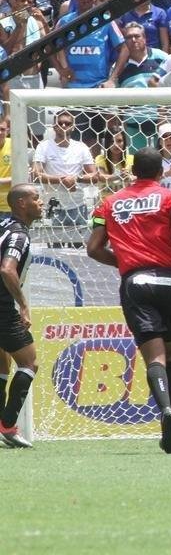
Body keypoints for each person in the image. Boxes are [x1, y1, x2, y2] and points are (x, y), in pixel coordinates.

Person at [85, 149, 171, 454]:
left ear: (133, 171)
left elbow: (93, 249)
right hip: (169, 280)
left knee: (153, 359)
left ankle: (165, 409)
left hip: (136, 282)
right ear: (161, 172)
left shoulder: (109, 202)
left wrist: (124, 262)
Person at [0, 185, 45, 448]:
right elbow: (7, 270)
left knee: (2, 366)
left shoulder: (4, 225)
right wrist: (23, 305)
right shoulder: (18, 235)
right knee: (30, 362)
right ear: (21, 203)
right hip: (3, 307)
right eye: (35, 198)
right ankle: (8, 424)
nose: (41, 202)